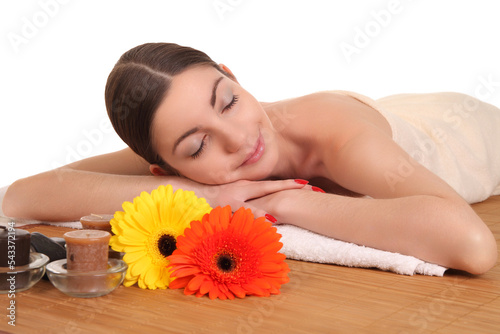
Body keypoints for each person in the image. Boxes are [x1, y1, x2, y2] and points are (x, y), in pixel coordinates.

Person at [3, 43, 499, 274]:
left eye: (229, 100)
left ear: (233, 74)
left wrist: (286, 203)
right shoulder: (187, 160)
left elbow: (474, 245)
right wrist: (206, 193)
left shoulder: (343, 143)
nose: (237, 139)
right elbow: (24, 194)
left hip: (469, 125)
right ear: (164, 169)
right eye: (198, 147)